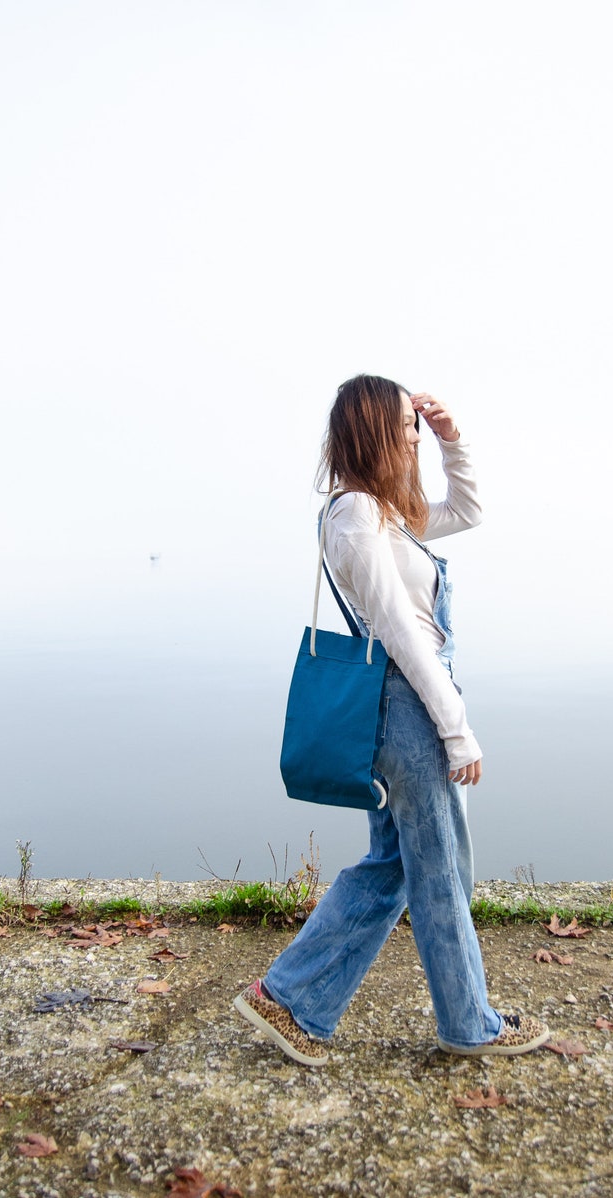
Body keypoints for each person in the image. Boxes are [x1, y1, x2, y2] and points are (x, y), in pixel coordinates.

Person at [234, 374, 549, 1065]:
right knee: (436, 871)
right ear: (376, 429)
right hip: (404, 709)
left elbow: (468, 510)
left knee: (396, 865)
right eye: (406, 425)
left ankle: (289, 999)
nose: (414, 436)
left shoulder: (383, 512)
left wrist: (451, 442)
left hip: (405, 706)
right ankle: (470, 1024)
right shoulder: (354, 516)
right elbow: (403, 635)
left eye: (415, 426)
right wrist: (456, 727)